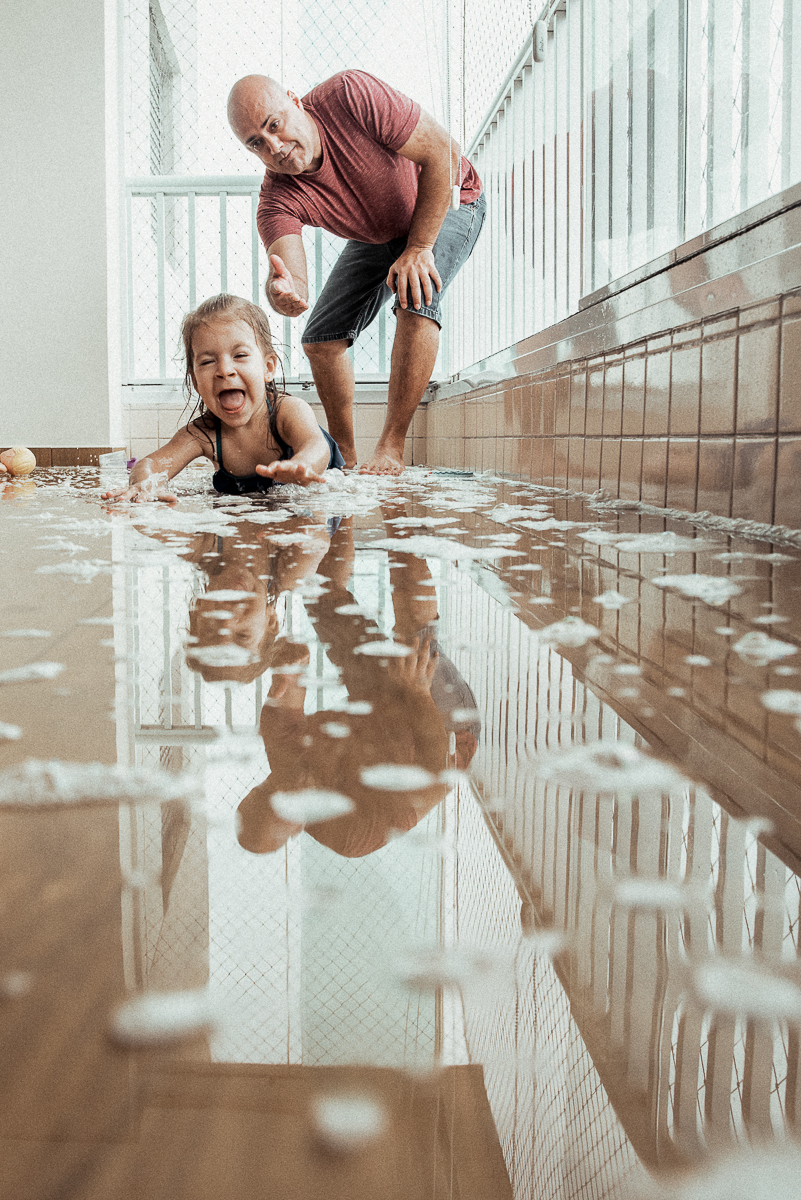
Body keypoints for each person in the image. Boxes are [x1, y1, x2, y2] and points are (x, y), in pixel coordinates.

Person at [227, 71, 486, 477]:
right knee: (320, 338)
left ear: (294, 100)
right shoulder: (276, 199)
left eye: (273, 125)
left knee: (415, 291)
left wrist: (419, 248)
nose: (274, 147)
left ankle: (391, 448)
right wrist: (282, 291)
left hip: (449, 196)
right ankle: (342, 457)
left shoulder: (350, 95)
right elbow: (291, 279)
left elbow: (443, 153)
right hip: (381, 233)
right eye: (256, 143)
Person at [102, 293, 344, 503]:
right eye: (208, 361)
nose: (224, 370)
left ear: (268, 367)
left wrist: (302, 465)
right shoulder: (203, 434)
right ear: (195, 382)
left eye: (240, 355)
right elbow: (151, 464)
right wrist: (145, 483)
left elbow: (316, 446)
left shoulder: (287, 411)